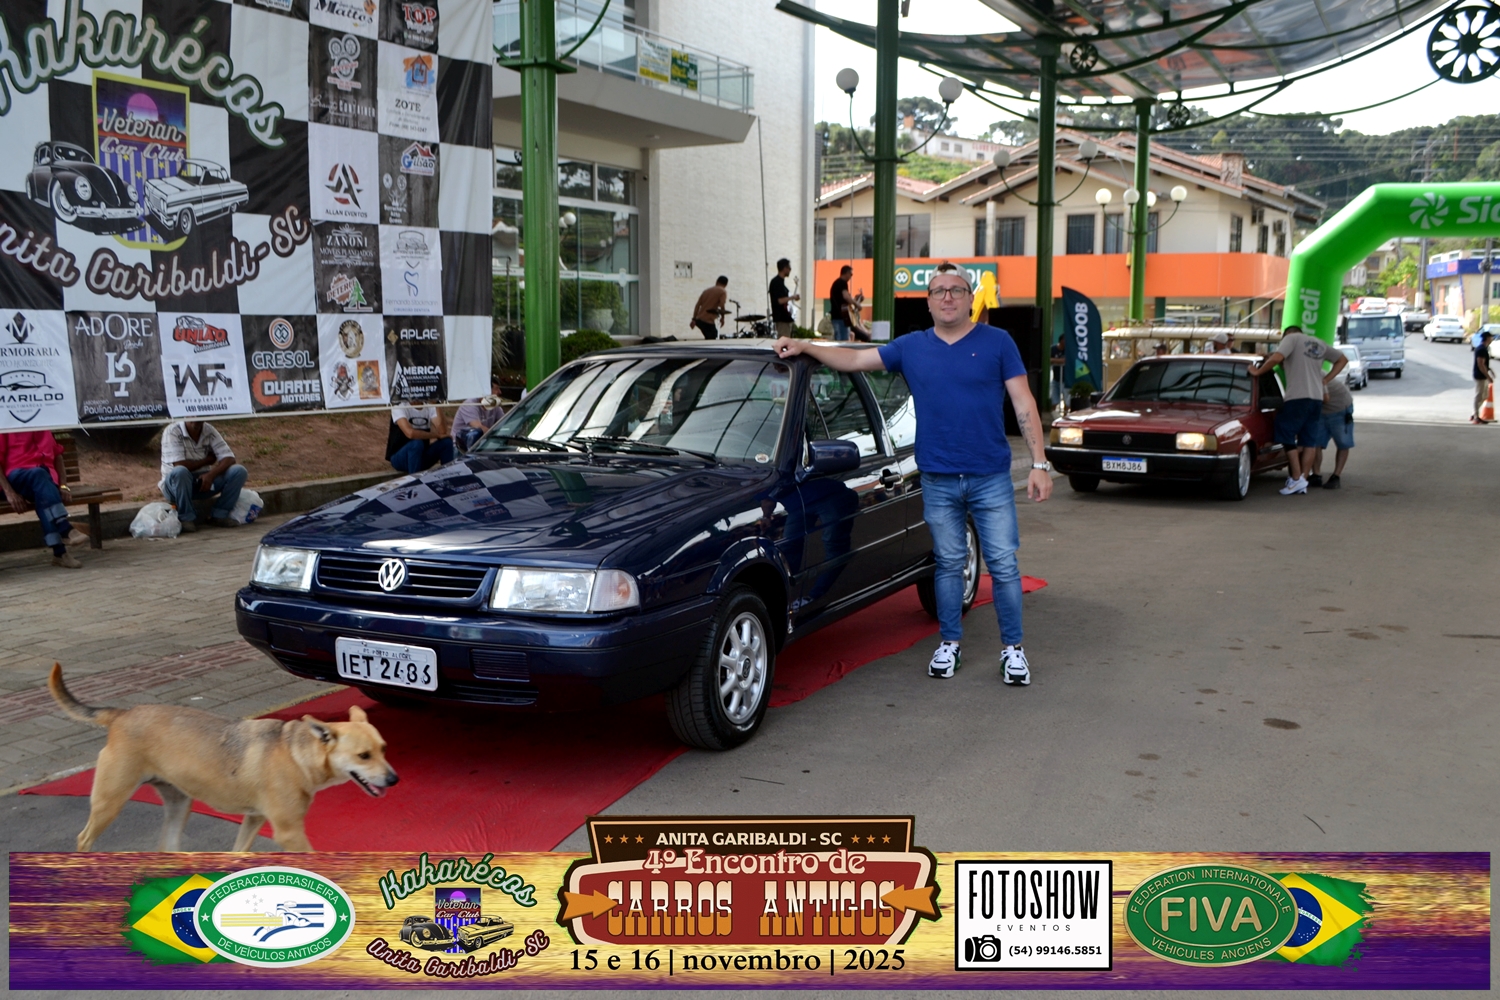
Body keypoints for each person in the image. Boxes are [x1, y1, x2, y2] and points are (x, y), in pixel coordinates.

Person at [773, 261, 1052, 686]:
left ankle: (1013, 650)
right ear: (928, 301)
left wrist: (1039, 464)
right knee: (948, 564)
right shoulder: (912, 347)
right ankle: (950, 643)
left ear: (970, 299)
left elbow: (1023, 402)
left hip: (990, 478)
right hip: (937, 479)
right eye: (939, 290)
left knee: (1003, 565)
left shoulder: (998, 342)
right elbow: (854, 359)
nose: (947, 297)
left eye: (956, 290)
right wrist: (805, 346)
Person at [1248, 324, 1347, 495]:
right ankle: (1302, 480)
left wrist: (1258, 372)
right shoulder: (1318, 343)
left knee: (1285, 432)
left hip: (1298, 397)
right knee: (1309, 441)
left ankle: (1295, 477)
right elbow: (1342, 360)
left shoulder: (1291, 338)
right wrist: (1326, 379)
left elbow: (1278, 358)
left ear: (1287, 335)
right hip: (1316, 399)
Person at [0, 430, 87, 567]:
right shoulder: (6, 426)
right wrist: (9, 493)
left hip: (44, 480)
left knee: (43, 493)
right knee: (40, 475)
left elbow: (57, 456)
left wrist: (64, 486)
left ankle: (60, 554)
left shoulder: (43, 427)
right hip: (16, 478)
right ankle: (64, 527)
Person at [159, 421, 249, 531]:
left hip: (202, 482)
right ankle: (186, 518)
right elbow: (180, 464)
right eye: (192, 415)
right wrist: (206, 460)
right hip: (176, 485)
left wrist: (211, 475)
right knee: (180, 472)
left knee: (239, 471)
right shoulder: (173, 431)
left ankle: (219, 515)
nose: (195, 419)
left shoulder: (209, 430)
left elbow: (229, 458)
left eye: (198, 415)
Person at [1309, 375, 1354, 489]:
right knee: (1315, 442)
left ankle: (1336, 476)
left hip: (1340, 407)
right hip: (1321, 409)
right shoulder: (1299, 374)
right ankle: (1316, 474)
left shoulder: (1312, 374)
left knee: (1343, 442)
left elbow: (1325, 398)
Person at [388, 397, 453, 473]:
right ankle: (415, 478)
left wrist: (436, 404)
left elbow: (442, 431)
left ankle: (448, 475)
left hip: (421, 456)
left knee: (446, 442)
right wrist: (436, 435)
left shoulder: (428, 406)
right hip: (400, 458)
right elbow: (410, 433)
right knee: (416, 444)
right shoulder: (399, 406)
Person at [453, 377, 506, 452]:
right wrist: (498, 436)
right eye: (496, 389)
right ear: (487, 390)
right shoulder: (470, 404)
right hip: (461, 448)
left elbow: (505, 423)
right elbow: (479, 429)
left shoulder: (494, 405)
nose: (500, 392)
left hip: (481, 445)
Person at [769, 259, 799, 339]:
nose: (790, 270)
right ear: (784, 268)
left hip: (786, 318)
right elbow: (779, 300)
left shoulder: (781, 283)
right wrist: (792, 297)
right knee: (784, 341)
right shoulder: (776, 282)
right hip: (781, 319)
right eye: (789, 267)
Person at [828, 265, 857, 342]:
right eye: (851, 274)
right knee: (843, 341)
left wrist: (855, 300)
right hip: (840, 317)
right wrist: (857, 304)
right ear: (846, 273)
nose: (851, 277)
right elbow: (846, 297)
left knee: (841, 339)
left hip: (839, 317)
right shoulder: (842, 283)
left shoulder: (837, 283)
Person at [1472, 329, 1493, 425]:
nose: (1492, 339)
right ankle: (1476, 417)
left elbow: (1484, 363)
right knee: (1479, 395)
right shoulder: (1481, 349)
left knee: (1485, 396)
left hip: (1483, 375)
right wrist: (1488, 376)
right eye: (1491, 337)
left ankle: (1474, 413)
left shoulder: (1484, 348)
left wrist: (1490, 369)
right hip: (1480, 375)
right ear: (1487, 338)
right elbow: (1480, 364)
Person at [1050, 338, 1065, 409]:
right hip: (1056, 378)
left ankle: (1066, 414)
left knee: (1067, 401)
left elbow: (1065, 360)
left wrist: (1054, 360)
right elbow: (1048, 359)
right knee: (1054, 400)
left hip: (1066, 379)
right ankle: (1052, 411)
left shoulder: (1068, 349)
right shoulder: (1053, 349)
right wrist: (1059, 360)